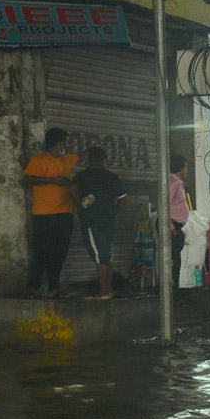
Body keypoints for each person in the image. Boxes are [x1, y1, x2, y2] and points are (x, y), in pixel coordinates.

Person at [23, 127, 80, 298]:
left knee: (59, 253)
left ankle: (53, 288)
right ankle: (32, 288)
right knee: (41, 252)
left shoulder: (66, 160)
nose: (66, 146)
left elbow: (83, 157)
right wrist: (53, 180)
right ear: (59, 143)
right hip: (44, 215)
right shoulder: (39, 160)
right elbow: (27, 179)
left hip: (64, 214)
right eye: (64, 142)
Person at [72, 145, 127, 299]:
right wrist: (114, 211)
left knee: (99, 258)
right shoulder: (111, 176)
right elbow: (123, 199)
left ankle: (104, 293)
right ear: (104, 160)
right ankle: (108, 290)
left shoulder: (82, 176)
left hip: (91, 222)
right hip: (108, 221)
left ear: (88, 160)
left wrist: (81, 202)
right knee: (105, 256)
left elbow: (71, 190)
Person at [169, 154, 191, 287]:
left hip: (177, 226)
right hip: (173, 227)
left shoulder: (177, 183)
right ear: (181, 169)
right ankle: (173, 293)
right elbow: (164, 205)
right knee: (173, 260)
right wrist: (171, 228)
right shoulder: (173, 183)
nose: (186, 170)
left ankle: (175, 290)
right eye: (186, 167)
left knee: (176, 259)